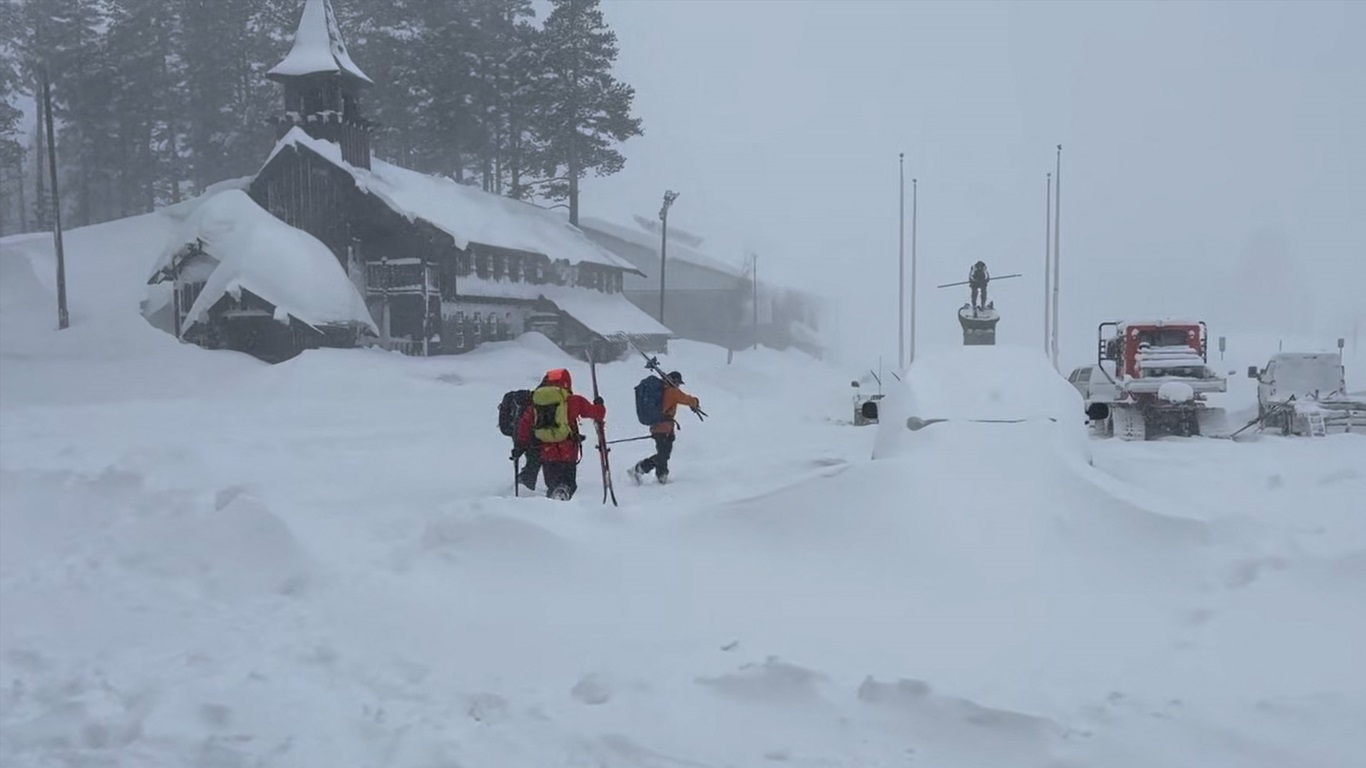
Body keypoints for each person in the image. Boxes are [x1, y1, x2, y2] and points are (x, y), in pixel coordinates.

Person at [515, 367, 605, 500]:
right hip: (568, 449)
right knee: (568, 482)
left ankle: (552, 506)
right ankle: (563, 498)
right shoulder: (573, 401)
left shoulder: (536, 402)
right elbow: (597, 413)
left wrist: (520, 445)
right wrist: (599, 405)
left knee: (552, 483)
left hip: (547, 451)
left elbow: (524, 425)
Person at [628, 370, 700, 485]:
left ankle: (661, 476)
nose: (678, 386)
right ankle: (641, 469)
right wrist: (696, 402)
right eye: (678, 383)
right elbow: (686, 399)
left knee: (663, 454)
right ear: (674, 381)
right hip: (664, 428)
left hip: (659, 427)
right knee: (663, 454)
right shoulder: (672, 391)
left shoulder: (663, 390)